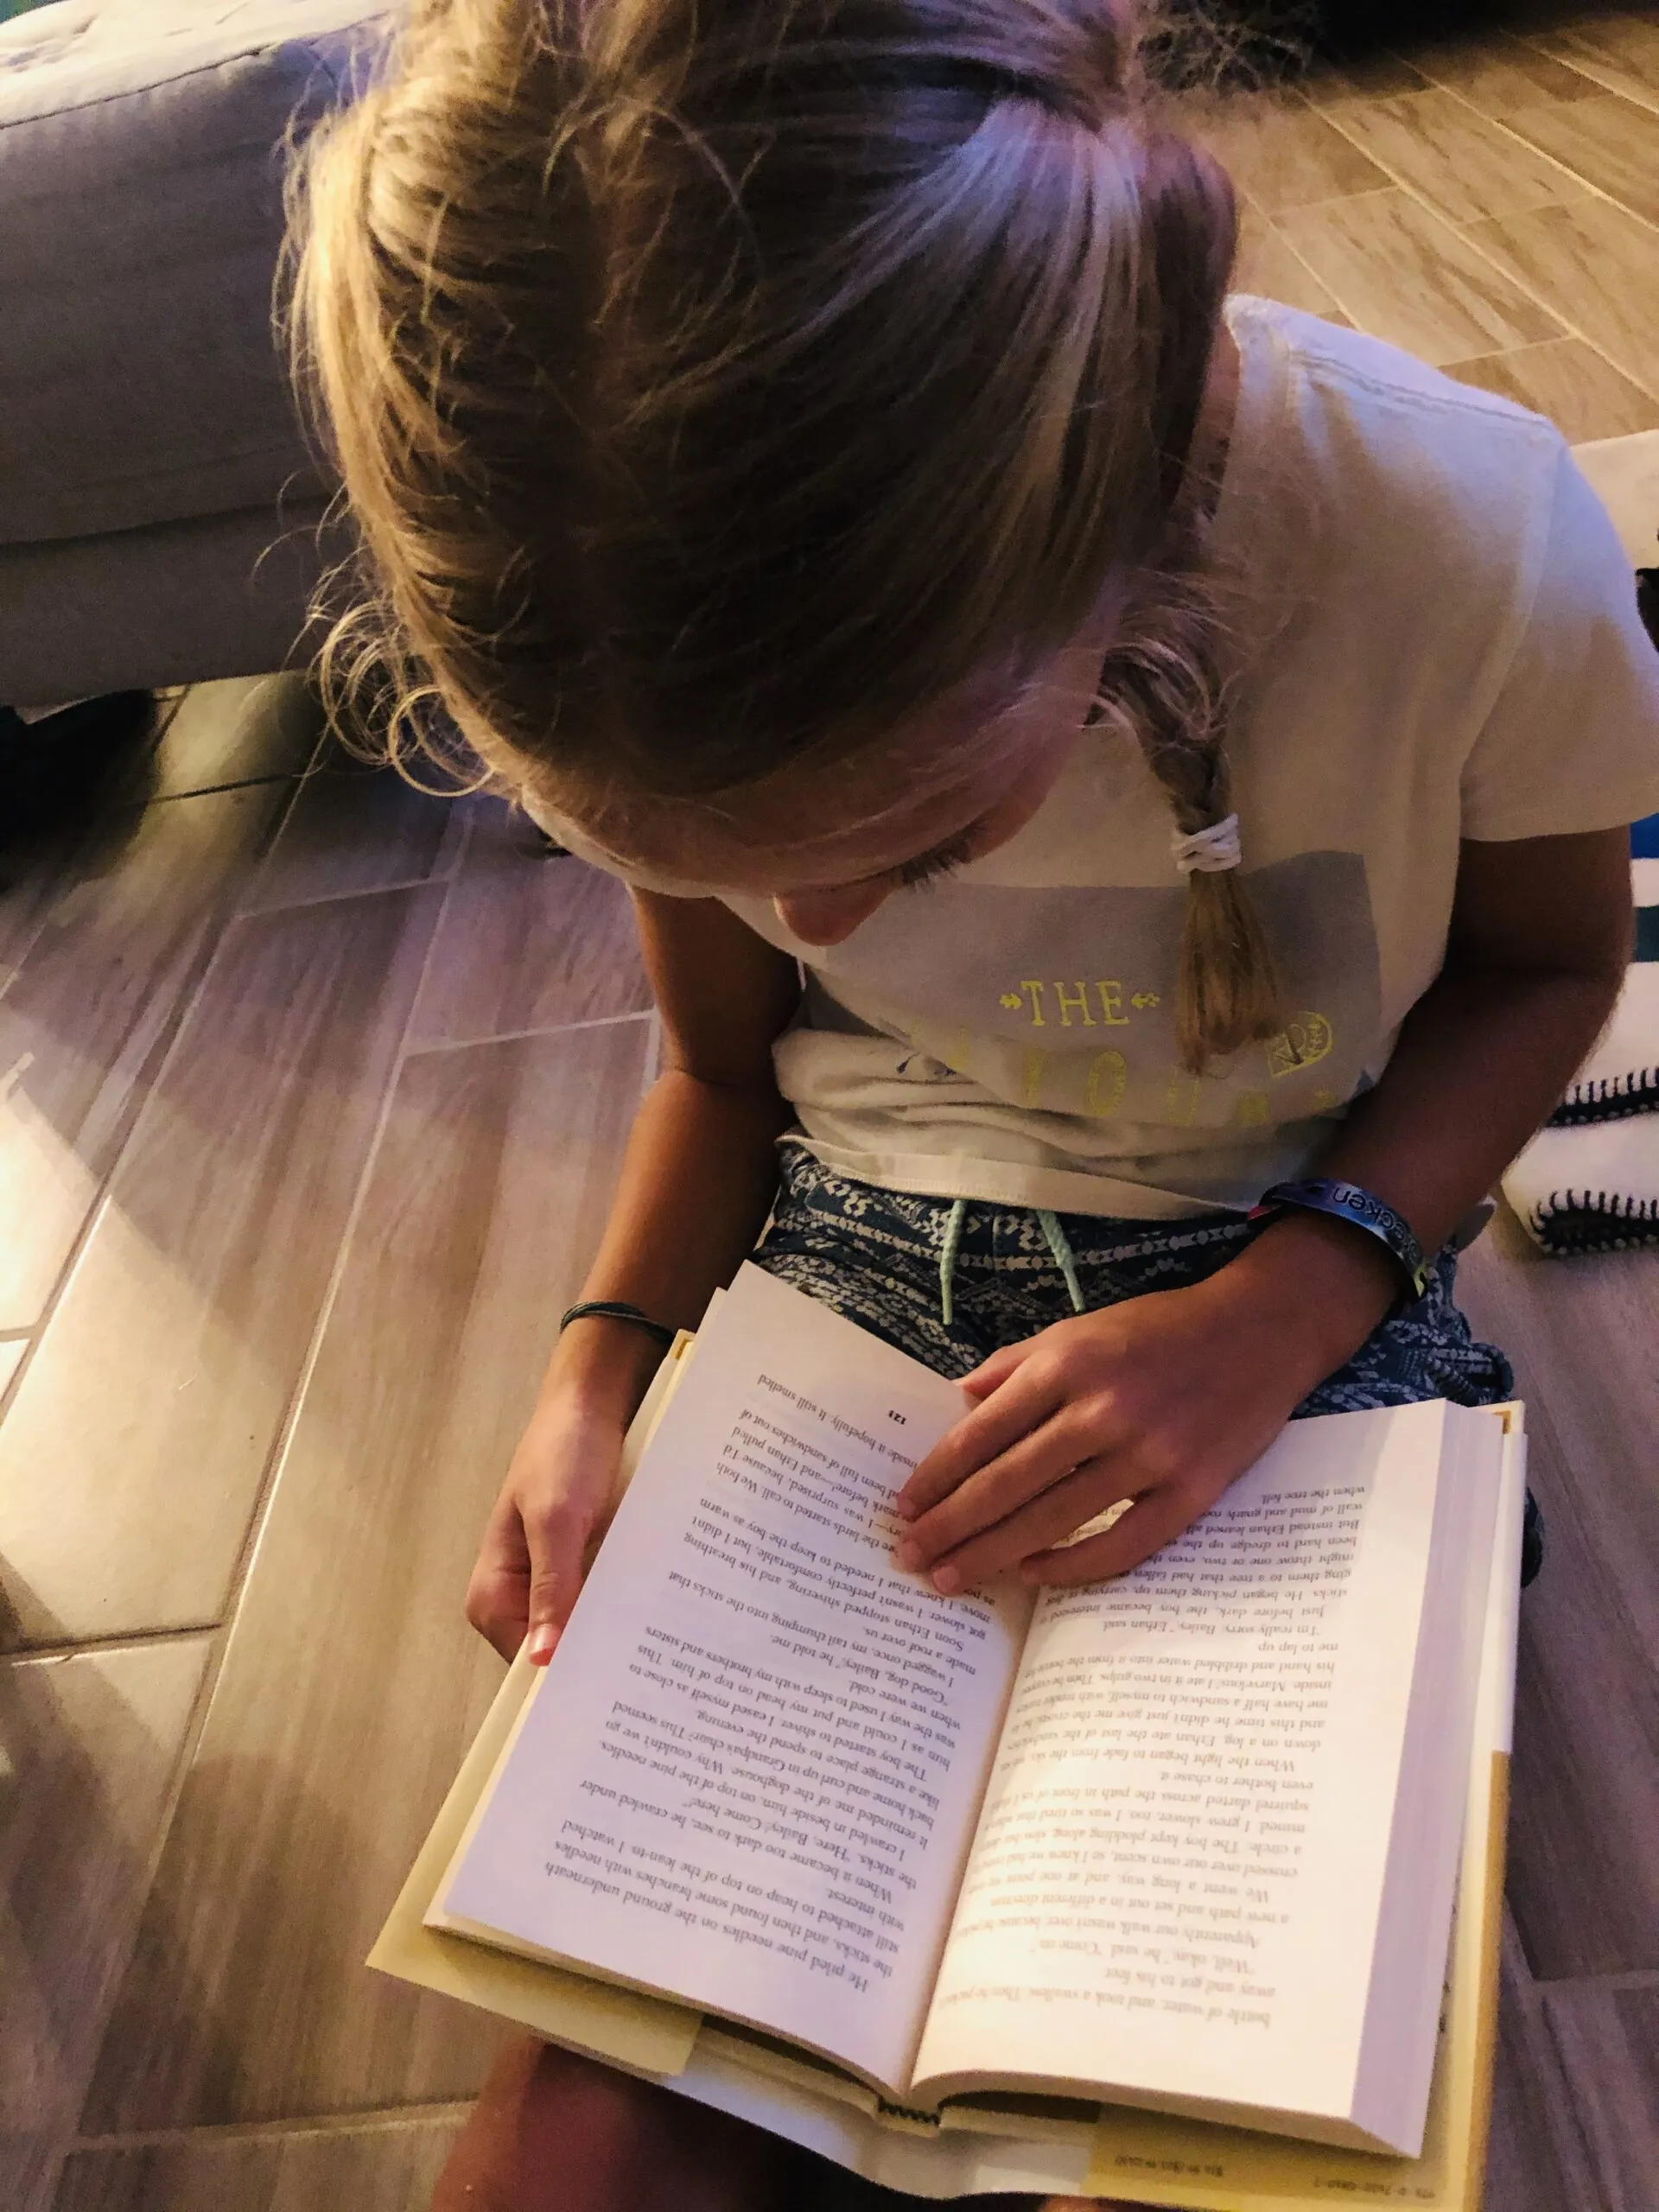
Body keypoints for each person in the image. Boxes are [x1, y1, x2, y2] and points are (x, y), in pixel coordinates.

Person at [289, 0, 1659, 2204]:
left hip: (1306, 1248)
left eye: (915, 847)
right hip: (847, 1287)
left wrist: (1284, 1308)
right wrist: (595, 1369)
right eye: (721, 865)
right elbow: (727, 1064)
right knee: (584, 2130)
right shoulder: (622, 588)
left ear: (1123, 574)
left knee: (1219, 2106)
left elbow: (1548, 966)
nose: (816, 918)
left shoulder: (1463, 541)